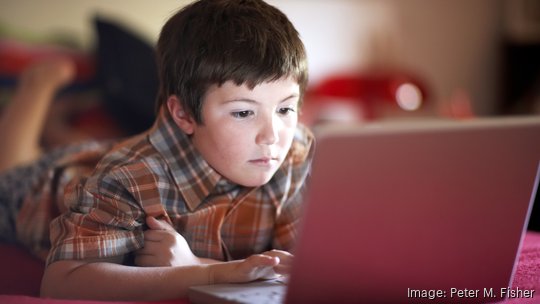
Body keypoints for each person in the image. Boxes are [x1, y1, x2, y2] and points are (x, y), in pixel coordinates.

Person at [38, 0, 314, 301]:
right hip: (42, 191)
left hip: (106, 156)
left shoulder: (295, 152)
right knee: (18, 166)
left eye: (285, 108)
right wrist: (205, 274)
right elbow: (61, 283)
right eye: (244, 113)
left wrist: (197, 264)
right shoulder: (128, 175)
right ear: (183, 115)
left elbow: (304, 266)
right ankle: (38, 92)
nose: (272, 137)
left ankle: (59, 130)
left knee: (92, 150)